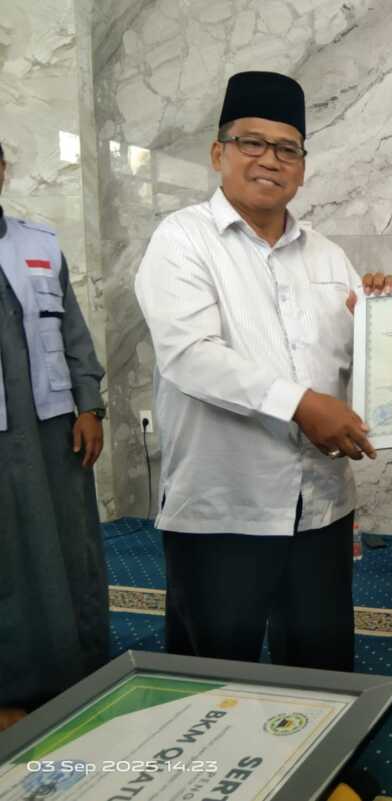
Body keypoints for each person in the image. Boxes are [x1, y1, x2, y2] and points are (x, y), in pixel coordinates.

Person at [135, 72, 392, 670]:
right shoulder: (182, 240)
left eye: (287, 149)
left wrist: (389, 316)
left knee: (322, 666)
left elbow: (354, 362)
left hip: (320, 506)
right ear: (218, 153)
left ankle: (324, 739)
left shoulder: (328, 255)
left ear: (302, 167)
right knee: (215, 674)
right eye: (251, 143)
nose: (270, 160)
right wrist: (302, 404)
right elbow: (190, 354)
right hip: (224, 505)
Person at [0, 141, 109, 730]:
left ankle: (79, 669)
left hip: (53, 430)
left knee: (71, 549)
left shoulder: (39, 244)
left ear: (3, 170)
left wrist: (89, 405)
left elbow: (73, 332)